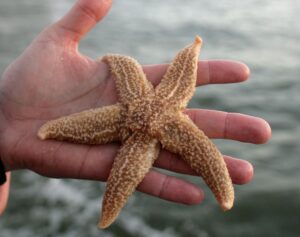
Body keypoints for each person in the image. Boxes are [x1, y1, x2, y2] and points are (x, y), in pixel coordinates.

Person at [0, 0, 271, 216]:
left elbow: (151, 66)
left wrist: (5, 127)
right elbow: (126, 65)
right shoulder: (149, 94)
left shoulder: (158, 94)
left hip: (142, 130)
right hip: (137, 129)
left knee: (211, 167)